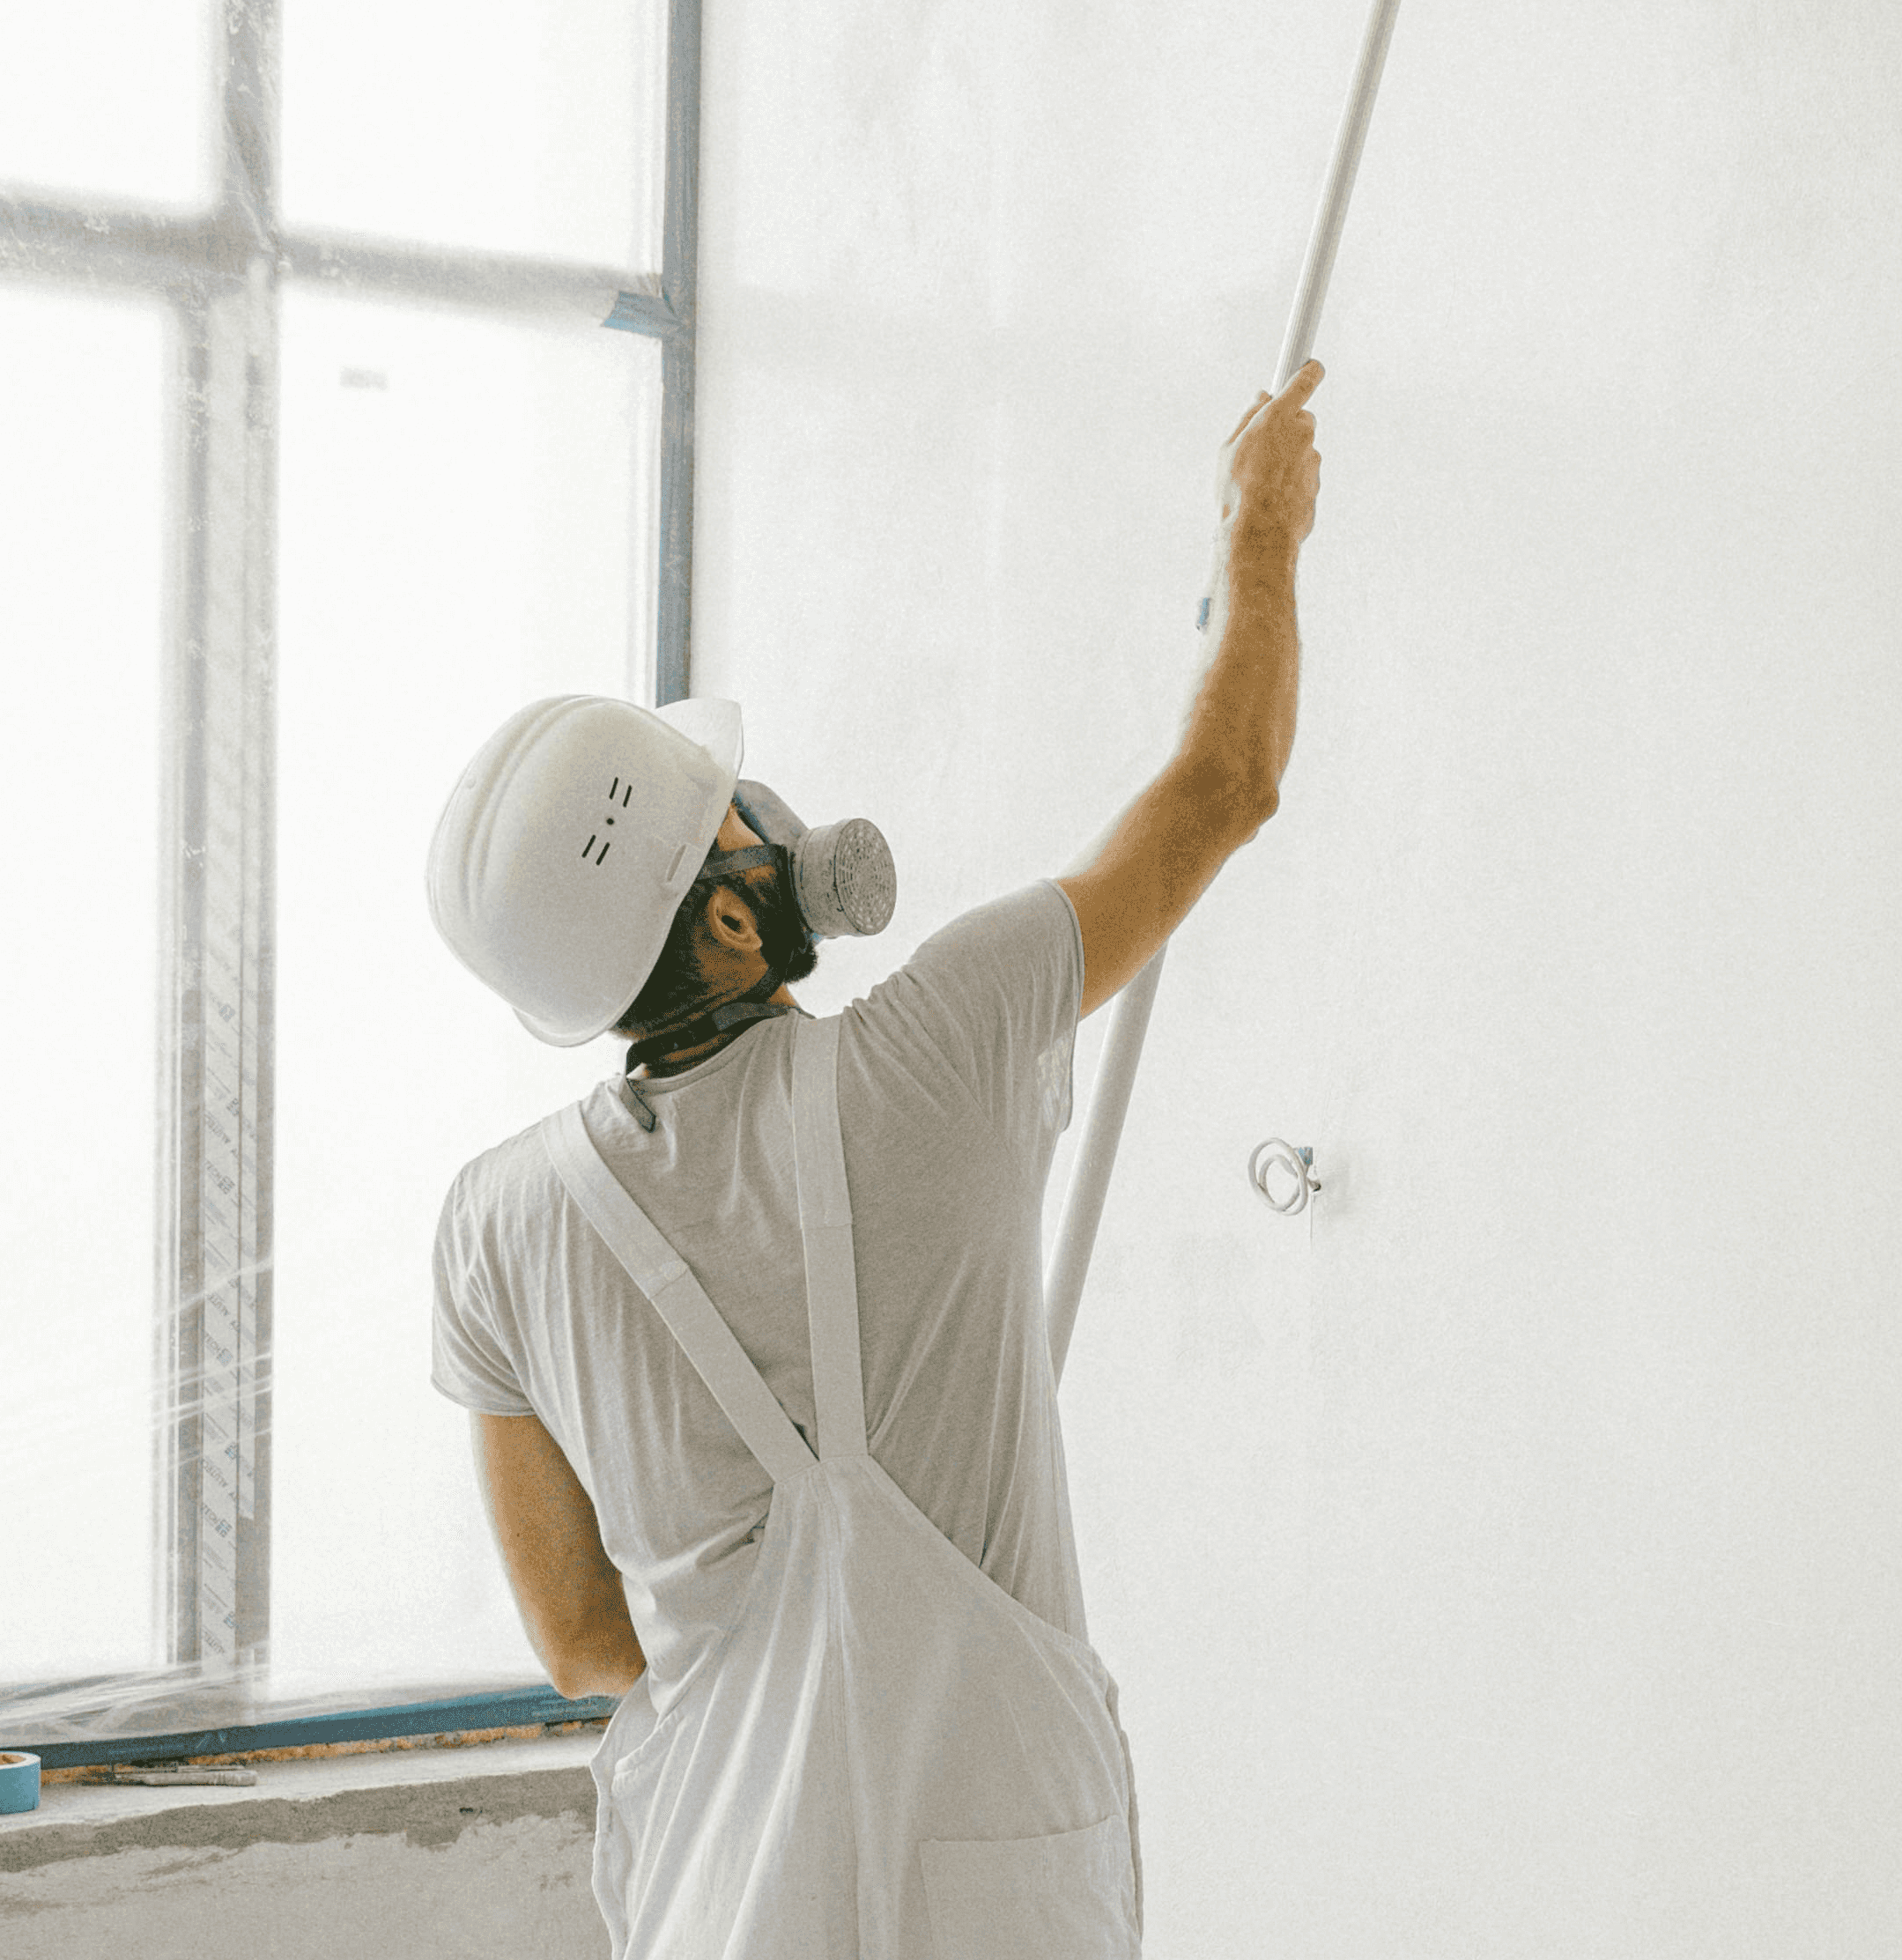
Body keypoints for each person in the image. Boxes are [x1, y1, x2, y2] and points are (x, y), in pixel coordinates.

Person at [422, 363, 1326, 1958]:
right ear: (727, 919)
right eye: (733, 817)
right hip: (1000, 1890)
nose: (772, 817)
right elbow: (1223, 785)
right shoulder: (944, 1040)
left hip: (728, 1900)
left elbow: (581, 1640)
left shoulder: (497, 1228)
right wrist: (1264, 529)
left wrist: (777, 1672)